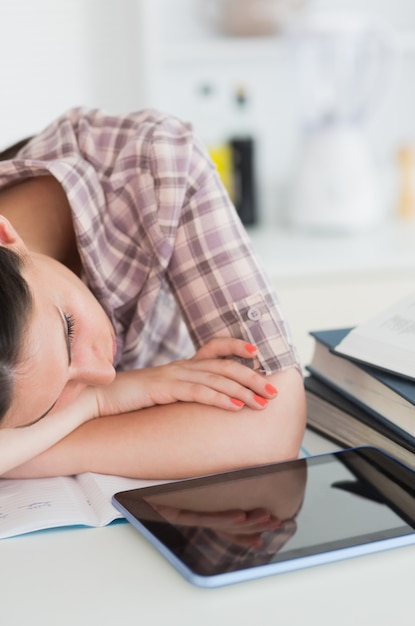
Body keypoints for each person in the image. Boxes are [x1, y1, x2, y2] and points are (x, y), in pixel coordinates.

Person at [0, 107, 306, 479]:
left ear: (6, 236)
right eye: (49, 408)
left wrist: (24, 449)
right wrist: (99, 402)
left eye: (69, 329)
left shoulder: (158, 164)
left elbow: (273, 423)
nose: (104, 373)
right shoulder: (98, 381)